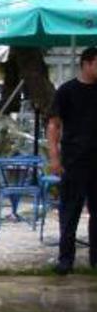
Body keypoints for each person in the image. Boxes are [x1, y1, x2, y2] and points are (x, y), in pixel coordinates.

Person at [46, 46, 97, 275]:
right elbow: (54, 125)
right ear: (86, 63)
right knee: (70, 212)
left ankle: (95, 259)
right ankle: (65, 259)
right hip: (75, 160)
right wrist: (54, 157)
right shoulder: (67, 91)